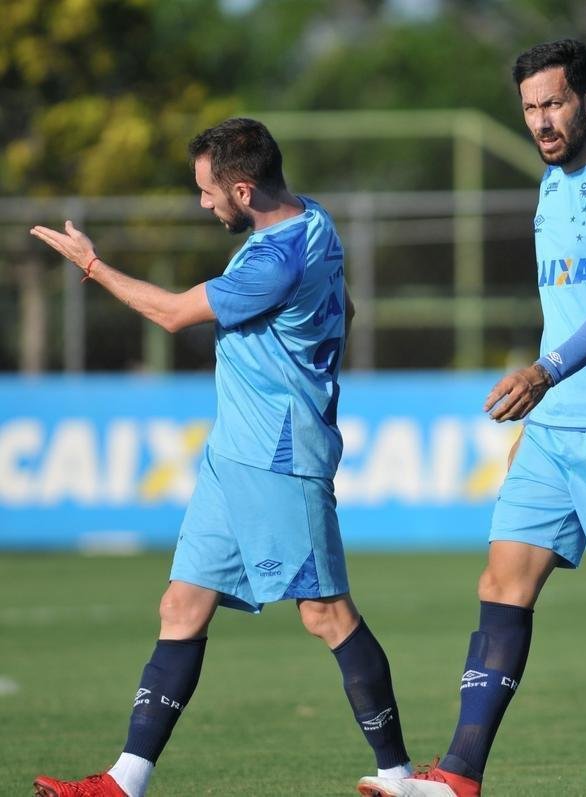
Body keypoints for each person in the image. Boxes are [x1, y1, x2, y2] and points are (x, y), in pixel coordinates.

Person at [355, 39, 586, 797]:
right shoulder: (550, 188)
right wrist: (542, 402)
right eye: (529, 108)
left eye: (553, 104)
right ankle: (459, 774)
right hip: (553, 432)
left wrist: (544, 370)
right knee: (503, 581)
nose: (540, 121)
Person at [29, 118, 411, 797]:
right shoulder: (313, 218)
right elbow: (346, 309)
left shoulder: (274, 262)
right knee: (181, 606)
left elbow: (173, 313)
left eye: (208, 192)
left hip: (278, 454)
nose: (204, 203)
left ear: (243, 190)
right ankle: (125, 781)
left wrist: (91, 265)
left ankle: (399, 776)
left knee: (326, 614)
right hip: (233, 451)